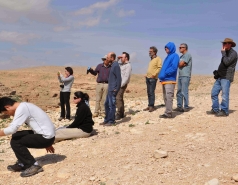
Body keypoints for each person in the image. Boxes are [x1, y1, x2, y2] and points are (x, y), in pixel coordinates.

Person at [0, 97, 55, 177]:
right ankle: (22, 162)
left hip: (46, 137)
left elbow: (12, 129)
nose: (9, 114)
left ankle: (32, 165)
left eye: (6, 113)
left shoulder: (22, 109)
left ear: (7, 107)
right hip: (47, 135)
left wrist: (47, 142)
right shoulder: (25, 105)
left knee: (16, 142)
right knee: (17, 135)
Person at [209, 38, 237, 117]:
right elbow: (223, 65)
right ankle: (215, 109)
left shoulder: (233, 53)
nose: (223, 45)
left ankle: (224, 111)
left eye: (225, 43)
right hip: (220, 77)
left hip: (226, 77)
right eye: (223, 43)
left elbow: (227, 62)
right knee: (214, 93)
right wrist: (217, 73)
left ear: (230, 44)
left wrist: (223, 53)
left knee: (224, 95)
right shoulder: (226, 53)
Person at [158, 42, 179, 118]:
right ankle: (167, 111)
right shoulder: (167, 57)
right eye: (165, 48)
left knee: (169, 96)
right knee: (165, 97)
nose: (165, 49)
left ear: (171, 48)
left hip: (170, 80)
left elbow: (174, 67)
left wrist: (165, 73)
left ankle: (169, 113)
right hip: (164, 80)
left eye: (167, 47)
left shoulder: (175, 56)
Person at [100, 52, 121, 126]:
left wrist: (117, 88)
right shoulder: (112, 65)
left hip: (113, 89)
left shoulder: (116, 66)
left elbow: (119, 78)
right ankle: (106, 120)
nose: (107, 59)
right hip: (110, 89)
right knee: (106, 104)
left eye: (108, 57)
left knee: (112, 105)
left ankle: (111, 121)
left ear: (112, 58)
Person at [174, 43, 193, 112]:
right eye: (179, 47)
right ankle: (179, 106)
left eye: (181, 47)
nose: (180, 48)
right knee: (179, 91)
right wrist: (181, 64)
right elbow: (179, 64)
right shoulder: (181, 56)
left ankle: (186, 106)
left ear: (185, 48)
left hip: (185, 75)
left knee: (184, 91)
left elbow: (180, 64)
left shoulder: (187, 55)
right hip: (180, 75)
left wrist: (181, 64)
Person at [143, 46, 162, 112]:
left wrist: (154, 74)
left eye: (151, 51)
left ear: (155, 52)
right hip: (148, 78)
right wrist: (147, 74)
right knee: (148, 92)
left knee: (151, 92)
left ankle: (152, 106)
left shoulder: (158, 59)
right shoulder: (151, 59)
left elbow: (159, 68)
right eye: (149, 51)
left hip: (153, 78)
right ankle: (149, 105)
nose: (149, 52)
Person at [115, 52, 132, 120]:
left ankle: (119, 113)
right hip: (118, 83)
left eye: (122, 57)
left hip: (122, 84)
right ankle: (121, 113)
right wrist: (117, 59)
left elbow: (126, 77)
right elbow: (114, 65)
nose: (121, 58)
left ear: (126, 58)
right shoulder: (121, 65)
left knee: (118, 97)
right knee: (120, 98)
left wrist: (121, 85)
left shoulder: (128, 66)